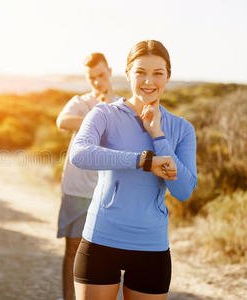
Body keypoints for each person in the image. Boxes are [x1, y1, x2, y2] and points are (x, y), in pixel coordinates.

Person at [69, 40, 198, 300]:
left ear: (168, 77)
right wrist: (142, 160)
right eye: (140, 72)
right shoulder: (104, 114)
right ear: (128, 74)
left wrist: (158, 134)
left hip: (151, 246)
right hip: (101, 240)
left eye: (157, 73)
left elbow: (184, 190)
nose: (148, 81)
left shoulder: (182, 129)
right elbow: (79, 154)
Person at [56, 52, 120, 300]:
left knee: (106, 253)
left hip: (107, 190)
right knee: (72, 249)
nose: (97, 81)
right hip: (76, 188)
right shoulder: (80, 102)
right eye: (91, 77)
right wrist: (96, 118)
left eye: (101, 75)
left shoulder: (122, 105)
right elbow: (62, 121)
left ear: (110, 72)